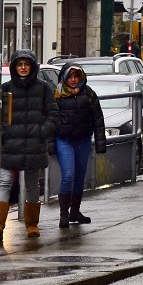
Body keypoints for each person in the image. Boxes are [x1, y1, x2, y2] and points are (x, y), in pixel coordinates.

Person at [0, 49, 59, 240]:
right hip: (10, 145)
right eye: (19, 64)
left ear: (32, 66)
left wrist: (42, 132)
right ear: (14, 67)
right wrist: (4, 134)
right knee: (5, 182)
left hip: (34, 145)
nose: (23, 68)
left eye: (26, 64)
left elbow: (53, 115)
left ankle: (32, 224)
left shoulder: (43, 87)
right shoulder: (5, 88)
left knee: (32, 184)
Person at [54, 62, 107, 228]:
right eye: (70, 76)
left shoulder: (89, 93)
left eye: (76, 76)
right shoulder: (57, 94)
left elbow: (98, 118)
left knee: (79, 177)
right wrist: (49, 143)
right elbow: (49, 119)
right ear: (64, 77)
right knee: (68, 175)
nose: (73, 80)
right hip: (64, 140)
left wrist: (100, 142)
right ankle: (64, 213)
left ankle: (75, 211)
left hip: (83, 139)